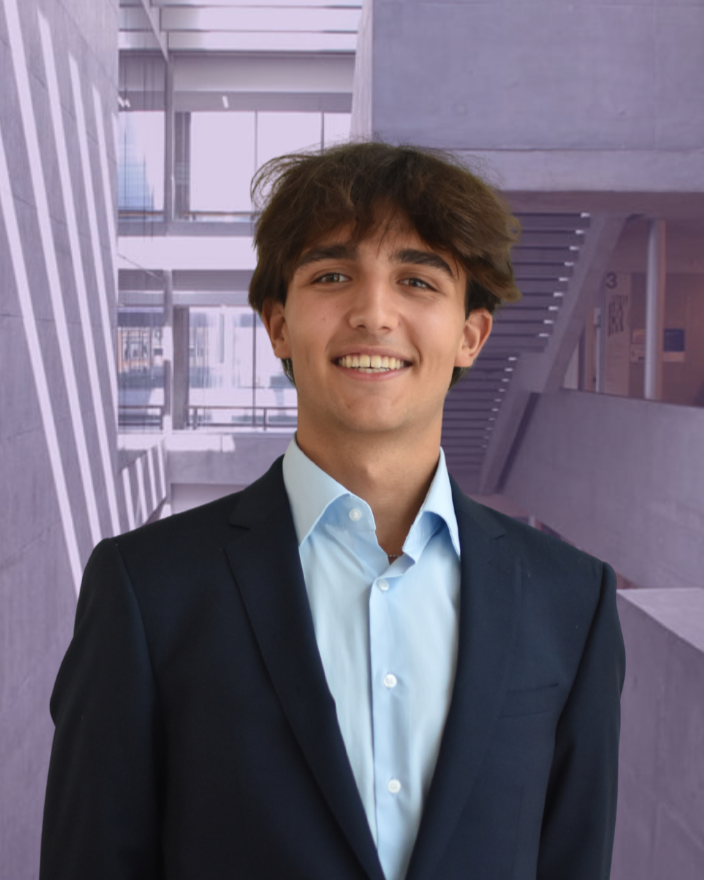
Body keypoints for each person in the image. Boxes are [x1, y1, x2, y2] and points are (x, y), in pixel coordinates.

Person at [39, 141, 626, 880]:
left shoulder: (572, 600)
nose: (373, 313)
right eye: (333, 275)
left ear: (471, 336)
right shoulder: (146, 590)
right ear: (278, 324)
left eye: (417, 279)